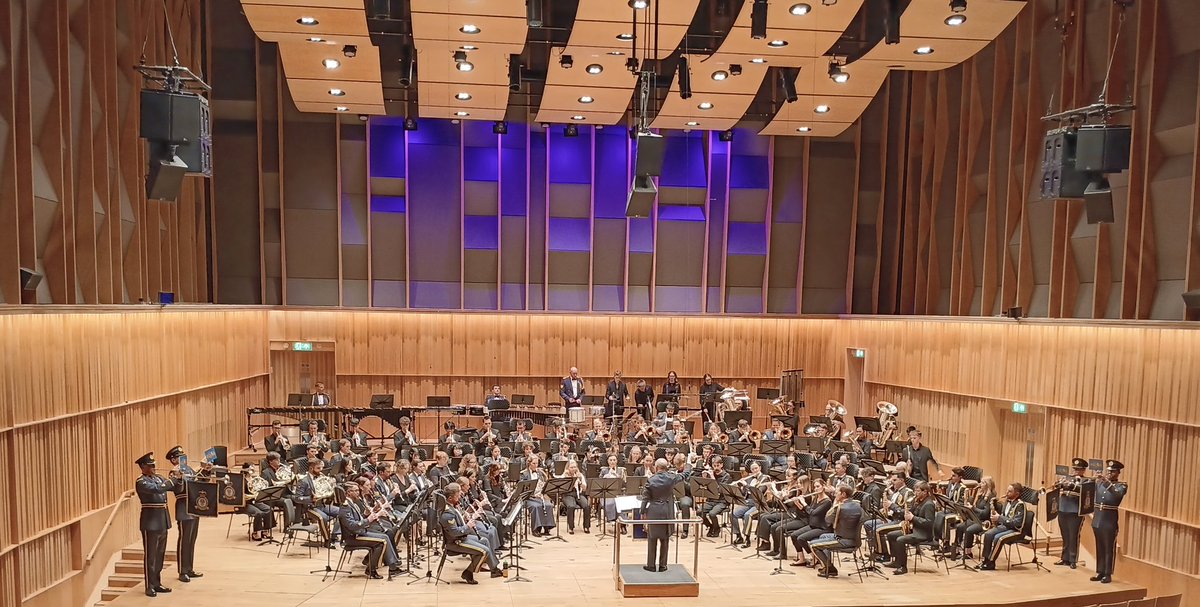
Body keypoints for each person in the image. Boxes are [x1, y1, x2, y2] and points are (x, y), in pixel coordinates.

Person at [441, 482, 503, 584]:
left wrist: (465, 516)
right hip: (455, 542)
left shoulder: (453, 506)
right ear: (450, 498)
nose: (460, 496)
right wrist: (468, 526)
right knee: (484, 551)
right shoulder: (447, 513)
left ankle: (494, 569)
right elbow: (454, 532)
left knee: (485, 541)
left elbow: (459, 518)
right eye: (457, 495)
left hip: (462, 538)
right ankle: (468, 572)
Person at [339, 482, 402, 579]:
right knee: (382, 542)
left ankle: (393, 565)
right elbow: (352, 526)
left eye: (357, 490)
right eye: (355, 491)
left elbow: (358, 520)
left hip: (359, 532)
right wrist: (369, 519)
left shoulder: (352, 504)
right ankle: (373, 569)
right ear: (348, 493)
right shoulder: (345, 507)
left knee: (385, 536)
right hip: (353, 537)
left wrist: (366, 515)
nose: (358, 493)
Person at [135, 452, 174, 597]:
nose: (154, 468)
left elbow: (172, 487)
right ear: (143, 467)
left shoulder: (158, 478)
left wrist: (179, 478)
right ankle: (149, 585)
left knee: (160, 555)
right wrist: (171, 480)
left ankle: (157, 583)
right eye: (150, 466)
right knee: (150, 556)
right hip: (150, 522)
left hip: (162, 520)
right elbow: (157, 489)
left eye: (154, 465)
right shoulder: (141, 481)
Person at [164, 446, 203, 583]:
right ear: (173, 460)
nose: (182, 459)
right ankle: (182, 571)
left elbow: (200, 483)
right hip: (183, 507)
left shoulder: (189, 469)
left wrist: (207, 471)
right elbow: (178, 489)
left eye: (183, 456)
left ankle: (189, 569)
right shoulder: (173, 472)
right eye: (179, 457)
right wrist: (179, 478)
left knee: (192, 540)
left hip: (194, 507)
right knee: (184, 541)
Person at [809, 485, 864, 578]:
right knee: (823, 536)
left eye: (837, 492)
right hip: (852, 538)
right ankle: (827, 567)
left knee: (813, 545)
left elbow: (828, 520)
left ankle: (830, 568)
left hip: (843, 540)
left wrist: (835, 503)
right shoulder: (857, 505)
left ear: (843, 494)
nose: (834, 494)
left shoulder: (840, 508)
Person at [883, 480, 936, 575]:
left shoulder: (929, 504)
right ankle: (896, 561)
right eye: (915, 491)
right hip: (914, 530)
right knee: (891, 535)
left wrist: (913, 518)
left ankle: (903, 567)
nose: (915, 493)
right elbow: (908, 512)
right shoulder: (918, 501)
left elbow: (929, 523)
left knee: (900, 539)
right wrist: (896, 507)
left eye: (918, 491)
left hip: (923, 534)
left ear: (925, 492)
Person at [1091, 460, 1127, 583]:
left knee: (1108, 548)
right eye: (1108, 471)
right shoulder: (1099, 483)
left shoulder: (1121, 485)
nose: (1109, 473)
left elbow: (1117, 496)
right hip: (1098, 519)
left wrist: (1106, 482)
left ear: (1118, 472)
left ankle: (1108, 573)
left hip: (1109, 521)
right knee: (1099, 547)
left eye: (1112, 471)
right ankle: (1100, 571)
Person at [979, 482, 1028, 571]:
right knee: (988, 534)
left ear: (1017, 494)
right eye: (1007, 490)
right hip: (1005, 527)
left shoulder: (1020, 505)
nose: (1006, 493)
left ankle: (991, 562)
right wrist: (996, 517)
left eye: (1010, 491)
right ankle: (985, 560)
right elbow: (1004, 515)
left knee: (999, 538)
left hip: (1016, 530)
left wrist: (1000, 518)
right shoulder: (1007, 501)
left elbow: (1017, 523)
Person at [945, 476, 996, 560]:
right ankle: (957, 550)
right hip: (976, 519)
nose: (980, 484)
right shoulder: (981, 495)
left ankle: (968, 553)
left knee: (969, 530)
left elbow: (985, 513)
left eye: (982, 483)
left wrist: (973, 508)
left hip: (984, 522)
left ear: (988, 485)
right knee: (959, 527)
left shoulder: (991, 497)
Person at [640, 459, 677, 572]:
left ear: (656, 467)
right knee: (665, 539)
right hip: (667, 510)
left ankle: (651, 565)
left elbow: (645, 498)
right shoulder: (672, 478)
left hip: (654, 510)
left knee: (652, 538)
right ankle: (663, 565)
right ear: (666, 468)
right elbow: (685, 474)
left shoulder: (651, 480)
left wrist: (642, 512)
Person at [1055, 457, 1089, 569]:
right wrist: (1059, 483)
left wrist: (1071, 485)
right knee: (1065, 535)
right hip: (1063, 509)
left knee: (1073, 535)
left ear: (1083, 470)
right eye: (1074, 469)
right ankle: (1064, 558)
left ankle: (1073, 559)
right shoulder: (1067, 478)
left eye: (1078, 469)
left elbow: (1084, 492)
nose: (1075, 471)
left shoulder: (1087, 481)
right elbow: (1057, 487)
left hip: (1075, 512)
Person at [519, 456, 555, 535]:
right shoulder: (523, 474)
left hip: (539, 496)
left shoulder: (539, 473)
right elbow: (522, 488)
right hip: (528, 498)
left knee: (548, 505)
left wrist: (542, 490)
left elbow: (543, 484)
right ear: (529, 464)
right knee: (536, 507)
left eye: (537, 463)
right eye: (533, 463)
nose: (536, 465)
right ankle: (535, 529)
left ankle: (546, 527)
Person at [699, 457, 732, 537]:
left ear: (721, 465)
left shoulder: (726, 476)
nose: (716, 468)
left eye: (718, 465)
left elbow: (720, 490)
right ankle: (710, 526)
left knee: (712, 514)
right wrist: (704, 478)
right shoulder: (711, 474)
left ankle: (716, 528)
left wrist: (712, 478)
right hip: (711, 500)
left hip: (722, 501)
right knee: (699, 511)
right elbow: (704, 487)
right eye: (714, 466)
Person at [558, 459, 591, 534]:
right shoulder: (564, 476)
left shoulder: (580, 475)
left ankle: (586, 526)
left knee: (587, 506)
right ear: (567, 468)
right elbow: (562, 488)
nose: (573, 469)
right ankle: (571, 527)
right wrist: (568, 479)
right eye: (571, 467)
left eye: (575, 467)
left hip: (578, 494)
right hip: (567, 495)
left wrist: (580, 482)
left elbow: (585, 488)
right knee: (571, 506)